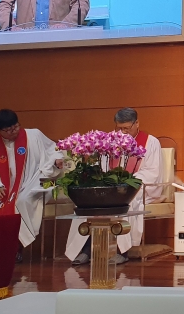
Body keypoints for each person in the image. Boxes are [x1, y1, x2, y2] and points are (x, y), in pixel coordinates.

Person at [65, 108, 163, 265]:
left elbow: (152, 171)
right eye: (120, 128)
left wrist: (126, 181)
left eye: (127, 128)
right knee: (87, 202)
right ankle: (85, 249)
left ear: (137, 123)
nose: (123, 132)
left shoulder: (150, 142)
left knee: (125, 200)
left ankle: (121, 251)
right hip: (111, 186)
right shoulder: (110, 140)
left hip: (138, 187)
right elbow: (103, 165)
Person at [0, 109, 64, 261]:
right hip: (5, 189)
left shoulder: (34, 135)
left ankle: (16, 247)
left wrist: (56, 159)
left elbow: (53, 149)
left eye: (16, 127)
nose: (14, 131)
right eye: (8, 130)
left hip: (32, 182)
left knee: (21, 201)